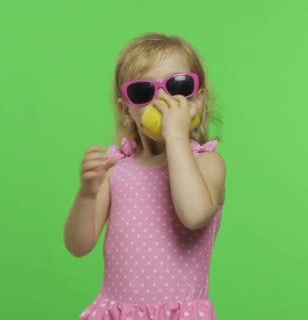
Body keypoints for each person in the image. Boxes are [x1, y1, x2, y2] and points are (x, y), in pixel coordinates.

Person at [64, 32, 226, 319]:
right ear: (126, 110)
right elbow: (78, 245)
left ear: (197, 101)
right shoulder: (116, 170)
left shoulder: (207, 163)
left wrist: (175, 134)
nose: (162, 101)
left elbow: (194, 213)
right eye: (143, 91)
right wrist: (87, 194)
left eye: (178, 86)